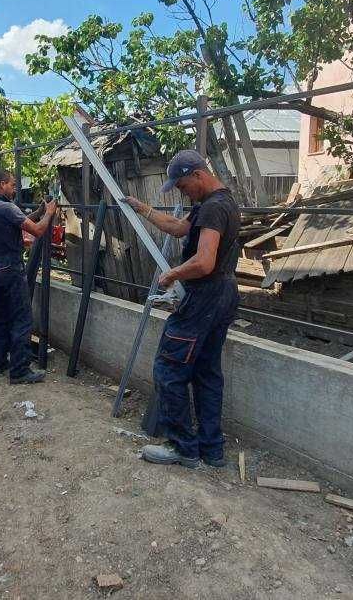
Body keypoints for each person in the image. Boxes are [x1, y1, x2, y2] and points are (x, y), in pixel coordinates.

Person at [124, 150, 241, 469]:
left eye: (183, 185)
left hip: (204, 296)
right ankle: (211, 449)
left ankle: (183, 447)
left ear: (199, 175)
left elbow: (204, 262)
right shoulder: (215, 202)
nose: (181, 191)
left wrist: (172, 274)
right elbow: (177, 227)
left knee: (169, 368)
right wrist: (142, 207)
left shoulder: (214, 207)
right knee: (206, 372)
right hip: (223, 294)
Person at [0, 169, 58, 384]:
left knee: (2, 317)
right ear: (2, 184)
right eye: (12, 185)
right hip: (12, 268)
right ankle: (20, 370)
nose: (15, 188)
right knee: (22, 319)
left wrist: (39, 211)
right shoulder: (6, 207)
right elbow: (38, 231)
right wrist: (49, 213)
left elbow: (19, 221)